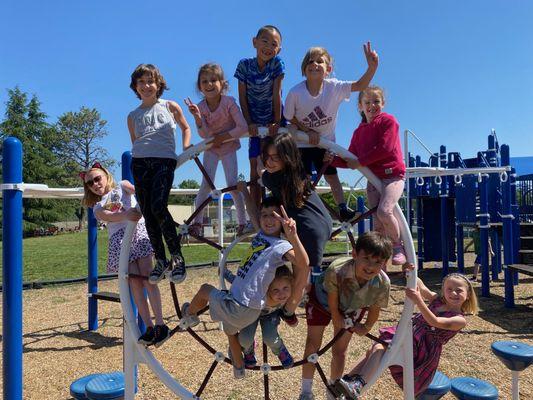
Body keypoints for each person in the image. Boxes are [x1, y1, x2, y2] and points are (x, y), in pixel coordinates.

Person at [179, 197, 309, 379]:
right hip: (246, 306)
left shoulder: (281, 245)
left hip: (243, 305)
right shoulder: (261, 235)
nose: (268, 219)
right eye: (264, 215)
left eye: (274, 216)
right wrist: (242, 191)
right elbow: (252, 211)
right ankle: (239, 367)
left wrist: (292, 235)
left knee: (205, 290)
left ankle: (189, 314)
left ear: (282, 222)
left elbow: (303, 263)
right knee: (230, 331)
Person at [335, 272, 478, 399]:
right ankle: (347, 381)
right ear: (443, 291)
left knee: (379, 348)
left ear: (468, 294)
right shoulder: (438, 300)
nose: (453, 293)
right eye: (449, 289)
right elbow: (421, 287)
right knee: (374, 350)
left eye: (459, 290)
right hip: (410, 337)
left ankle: (357, 384)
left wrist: (418, 301)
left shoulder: (459, 320)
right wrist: (410, 271)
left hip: (421, 350)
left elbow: (434, 321)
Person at [284, 43, 378, 221]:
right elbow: (289, 118)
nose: (315, 64)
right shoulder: (295, 93)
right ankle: (299, 209)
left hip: (325, 141)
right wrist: (307, 130)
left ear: (328, 69)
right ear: (304, 68)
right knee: (302, 178)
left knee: (332, 176)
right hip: (302, 142)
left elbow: (360, 85)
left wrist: (371, 68)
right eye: (310, 61)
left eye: (320, 61)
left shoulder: (333, 87)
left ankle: (342, 208)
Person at [81, 163, 170, 347]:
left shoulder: (121, 186)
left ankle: (161, 324)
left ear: (106, 176)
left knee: (148, 277)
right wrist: (126, 214)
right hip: (120, 242)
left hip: (138, 233)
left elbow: (137, 190)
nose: (95, 184)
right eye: (90, 183)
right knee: (135, 284)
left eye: (97, 179)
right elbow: (110, 216)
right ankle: (149, 326)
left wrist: (145, 200)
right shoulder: (97, 207)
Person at [299, 231, 392, 400]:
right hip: (321, 300)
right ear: (355, 254)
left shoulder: (382, 283)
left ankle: (334, 390)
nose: (371, 266)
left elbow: (374, 308)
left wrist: (366, 327)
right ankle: (306, 391)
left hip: (350, 306)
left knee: (340, 350)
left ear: (385, 263)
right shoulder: (338, 269)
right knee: (313, 344)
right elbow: (332, 298)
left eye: (377, 262)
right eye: (366, 259)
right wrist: (336, 316)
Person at [128, 64, 192, 284]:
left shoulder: (169, 106)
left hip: (164, 160)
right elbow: (135, 142)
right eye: (141, 82)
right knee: (147, 212)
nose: (146, 86)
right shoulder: (133, 115)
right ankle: (161, 259)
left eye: (150, 81)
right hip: (140, 163)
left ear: (159, 84)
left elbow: (186, 127)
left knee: (158, 206)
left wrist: (186, 146)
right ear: (135, 87)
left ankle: (177, 257)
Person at [329, 85, 407, 265]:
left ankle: (397, 246)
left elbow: (385, 148)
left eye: (376, 101)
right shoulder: (359, 132)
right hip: (373, 179)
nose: (372, 105)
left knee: (384, 211)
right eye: (367, 102)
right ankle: (380, 259)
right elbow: (351, 159)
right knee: (377, 222)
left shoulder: (388, 121)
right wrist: (330, 160)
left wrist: (360, 162)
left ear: (383, 103)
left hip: (392, 176)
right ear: (360, 106)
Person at [259, 133, 333, 309]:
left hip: (307, 231)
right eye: (267, 157)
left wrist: (257, 164)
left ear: (286, 158)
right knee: (301, 274)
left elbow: (261, 175)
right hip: (322, 222)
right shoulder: (299, 174)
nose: (270, 162)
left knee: (299, 278)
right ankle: (294, 305)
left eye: (275, 157)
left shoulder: (273, 178)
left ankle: (289, 310)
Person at [184, 63, 248, 236]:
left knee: (232, 184)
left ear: (223, 84)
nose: (209, 84)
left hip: (228, 147)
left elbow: (242, 127)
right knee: (205, 184)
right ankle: (197, 223)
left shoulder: (229, 103)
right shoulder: (201, 107)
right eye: (204, 81)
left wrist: (223, 137)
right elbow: (205, 134)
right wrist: (197, 117)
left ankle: (243, 222)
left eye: (213, 80)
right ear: (199, 87)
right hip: (212, 148)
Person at [235, 24, 285, 206]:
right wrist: (249, 122)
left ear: (278, 49)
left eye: (274, 44)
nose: (269, 47)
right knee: (254, 168)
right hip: (254, 120)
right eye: (265, 41)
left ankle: (281, 207)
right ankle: (255, 212)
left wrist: (277, 121)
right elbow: (242, 96)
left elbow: (276, 94)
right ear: (254, 42)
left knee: (278, 164)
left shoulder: (277, 64)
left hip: (275, 117)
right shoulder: (244, 66)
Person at [224, 264, 295, 369]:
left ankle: (280, 350)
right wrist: (225, 273)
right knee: (245, 339)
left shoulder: (291, 294)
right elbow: (239, 283)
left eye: (285, 288)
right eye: (275, 290)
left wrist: (289, 315)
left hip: (271, 315)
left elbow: (301, 288)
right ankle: (248, 350)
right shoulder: (257, 292)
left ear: (290, 285)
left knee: (270, 338)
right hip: (252, 312)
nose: (282, 294)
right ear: (266, 289)